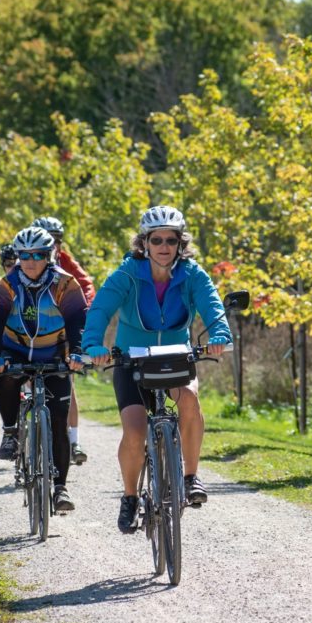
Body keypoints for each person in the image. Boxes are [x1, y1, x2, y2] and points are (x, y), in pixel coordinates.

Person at [82, 205, 230, 534]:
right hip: (131, 362)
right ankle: (131, 497)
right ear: (144, 243)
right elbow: (100, 309)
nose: (164, 246)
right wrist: (93, 345)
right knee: (134, 431)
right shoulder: (126, 274)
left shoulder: (192, 274)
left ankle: (191, 477)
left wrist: (220, 335)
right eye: (156, 239)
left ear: (181, 244)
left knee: (189, 401)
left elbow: (211, 304)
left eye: (171, 240)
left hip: (176, 357)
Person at [0, 226, 88, 512]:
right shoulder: (6, 285)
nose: (29, 261)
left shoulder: (65, 284)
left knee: (58, 421)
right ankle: (9, 431)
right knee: (8, 377)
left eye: (38, 255)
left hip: (55, 351)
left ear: (49, 255)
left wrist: (77, 352)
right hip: (15, 348)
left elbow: (78, 320)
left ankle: (61, 488)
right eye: (24, 255)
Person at [32, 216, 94, 465]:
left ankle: (74, 439)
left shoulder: (65, 260)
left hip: (60, 325)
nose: (53, 244)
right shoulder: (25, 260)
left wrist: (84, 308)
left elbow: (86, 284)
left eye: (57, 239)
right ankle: (16, 432)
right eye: (48, 239)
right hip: (30, 328)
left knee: (66, 377)